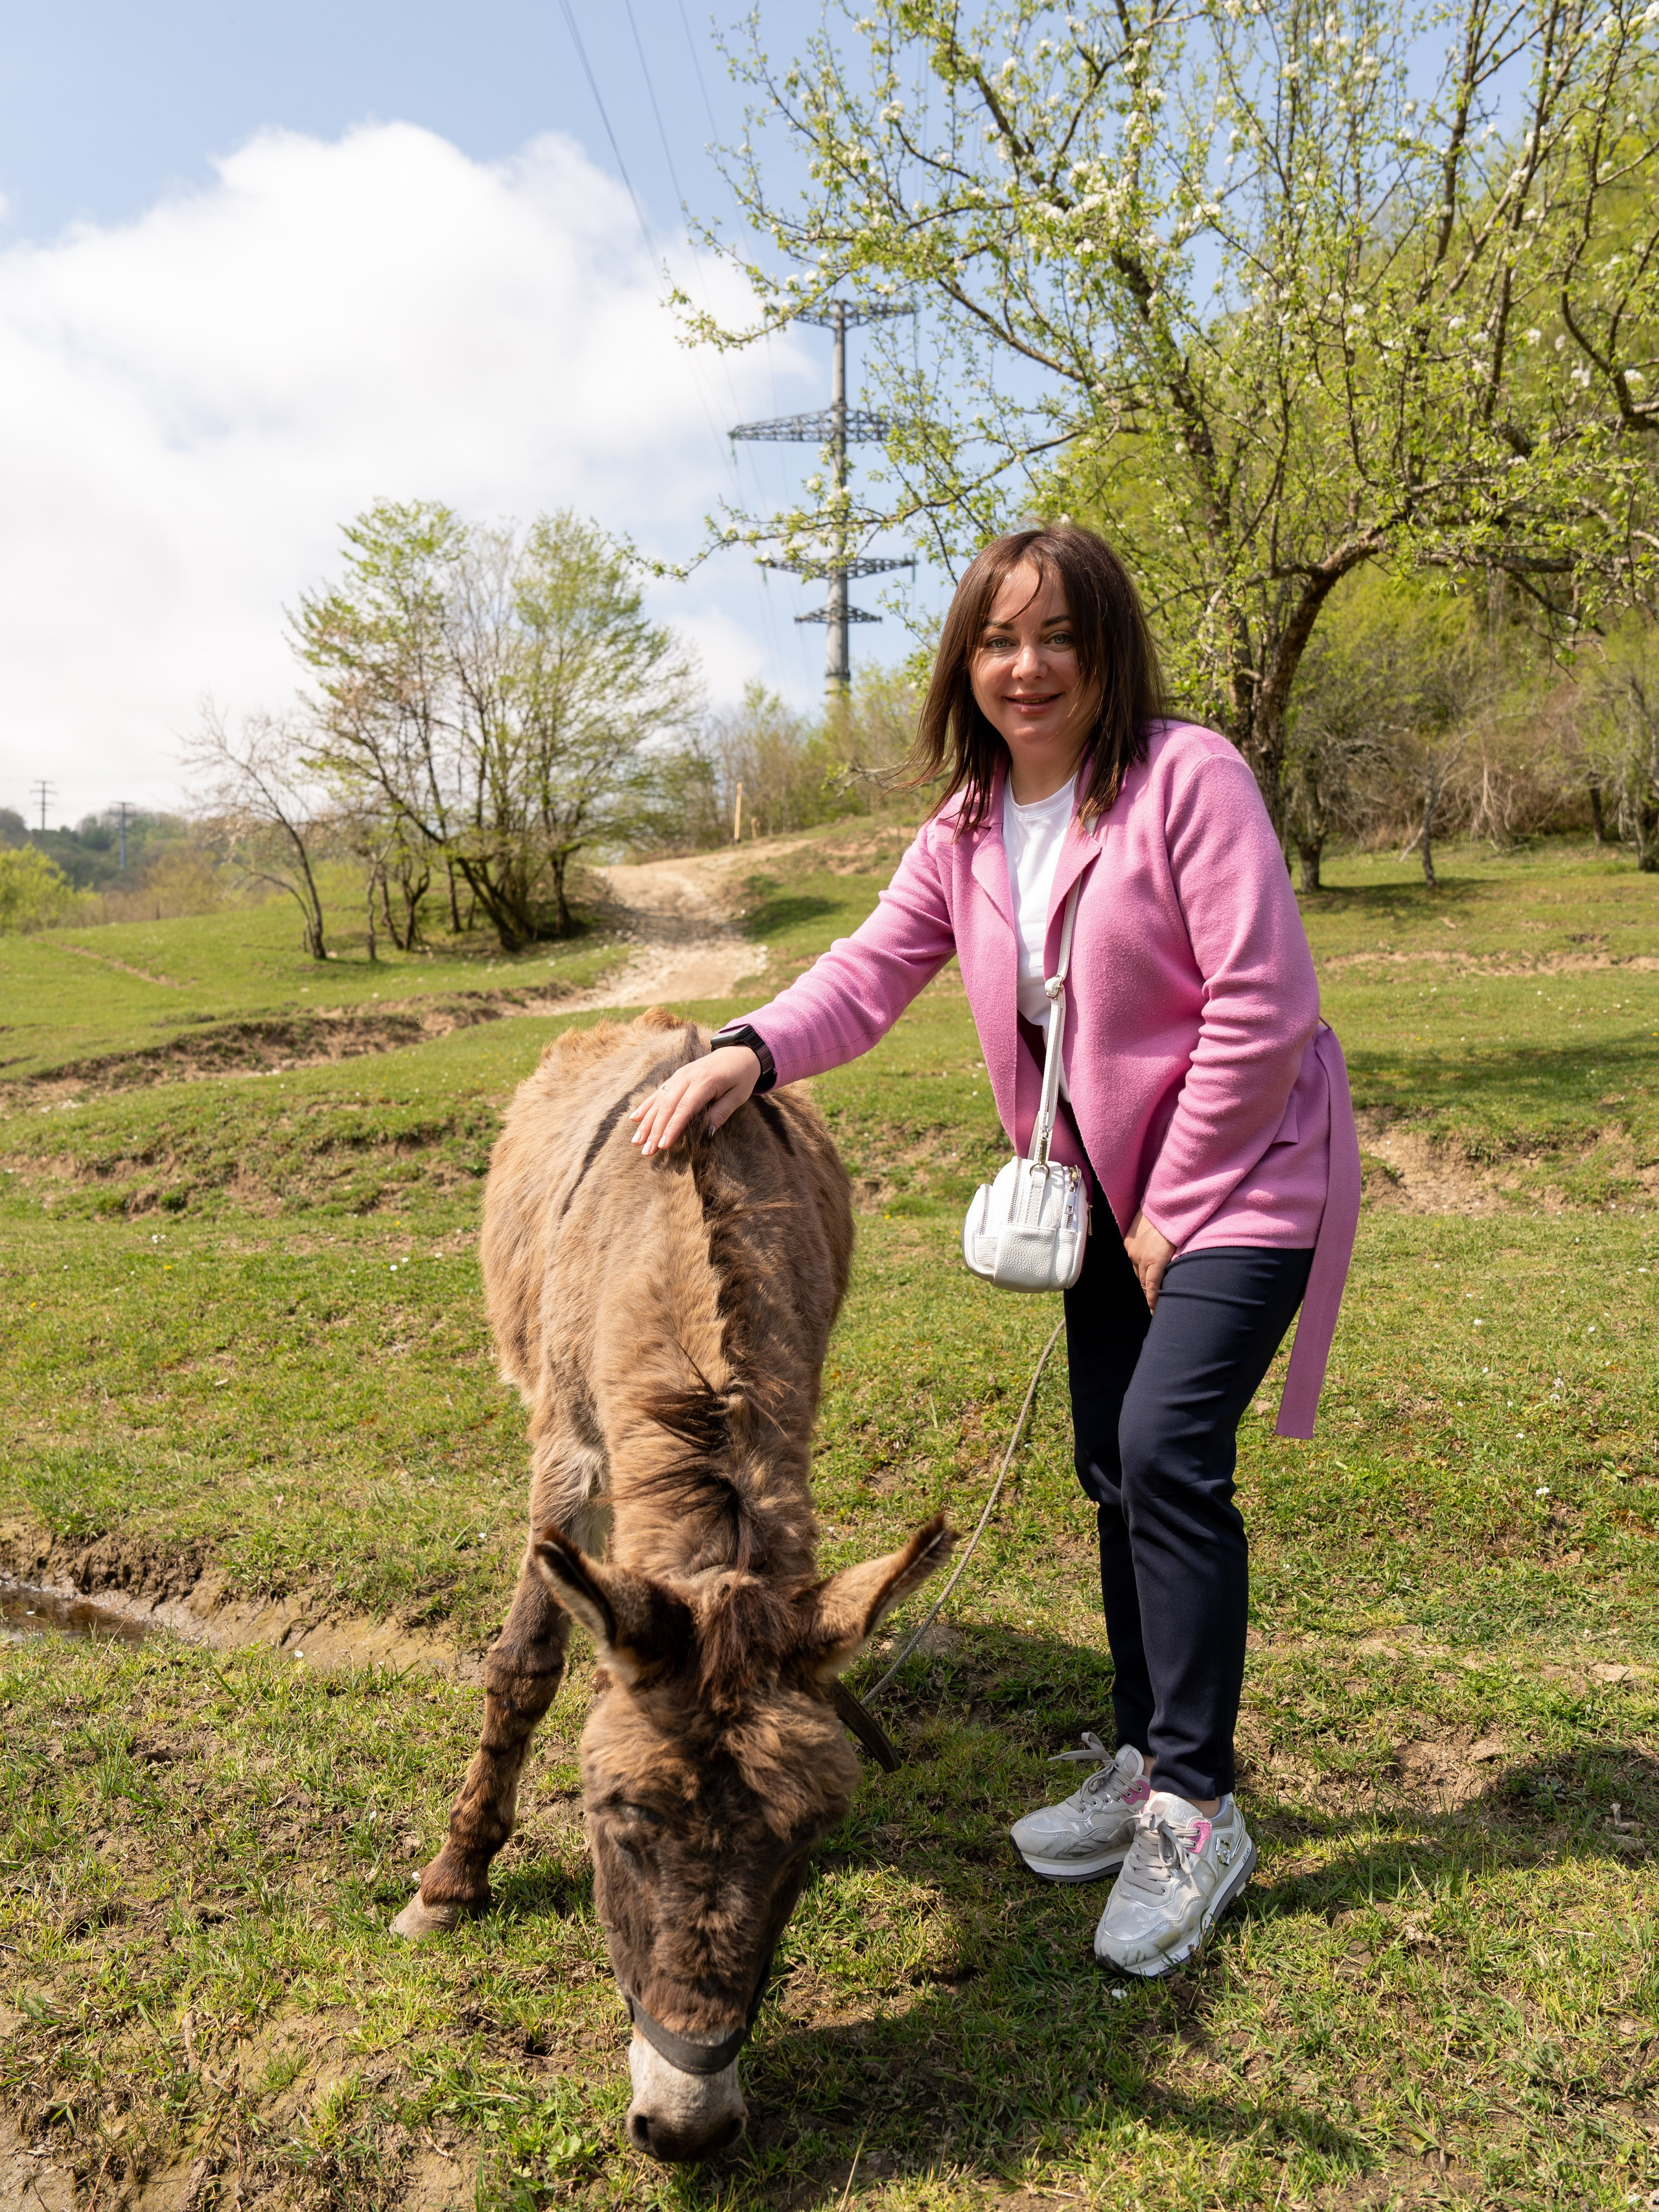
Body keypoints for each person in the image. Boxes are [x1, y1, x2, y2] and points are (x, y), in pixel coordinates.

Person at [628, 525, 1361, 1980]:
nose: (1026, 667)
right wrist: (747, 1049)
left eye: (1057, 638)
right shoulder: (965, 828)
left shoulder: (1185, 778)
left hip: (1245, 1181)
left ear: (1105, 654)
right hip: (1099, 1195)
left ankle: (1198, 1807)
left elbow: (1261, 1007)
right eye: (996, 639)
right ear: (965, 660)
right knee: (1111, 1468)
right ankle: (1145, 1757)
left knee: (1164, 1453)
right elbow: (867, 972)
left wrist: (1170, 1207)